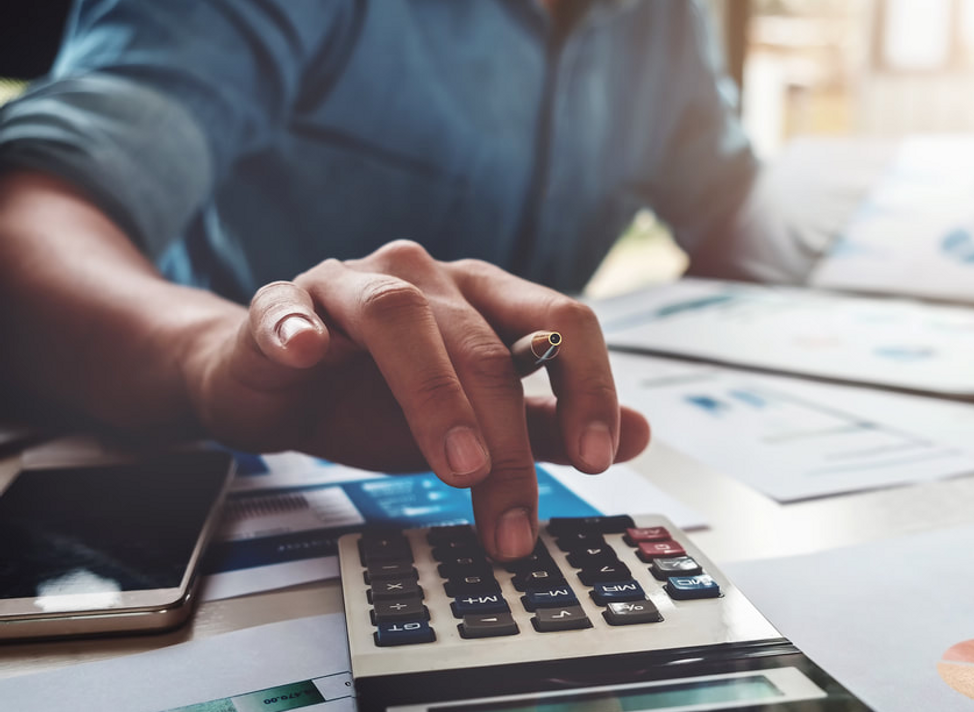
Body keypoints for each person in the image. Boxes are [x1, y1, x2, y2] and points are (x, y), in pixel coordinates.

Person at [0, 0, 811, 560]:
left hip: (496, 485)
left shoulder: (661, 21)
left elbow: (734, 212)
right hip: (197, 477)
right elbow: (27, 212)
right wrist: (206, 353)